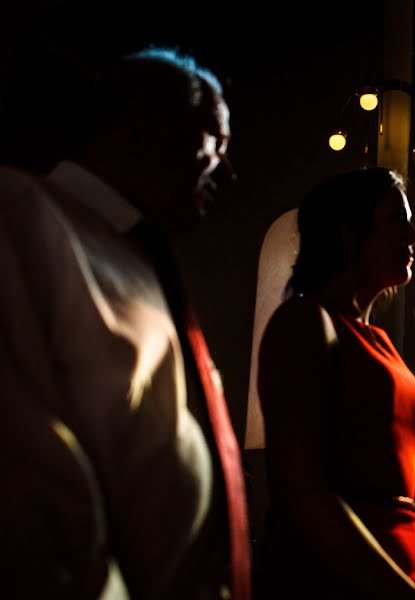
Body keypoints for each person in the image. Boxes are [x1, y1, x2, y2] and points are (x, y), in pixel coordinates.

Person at [0, 48, 249, 598]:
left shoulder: (144, 260)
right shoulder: (21, 212)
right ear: (145, 125)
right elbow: (24, 475)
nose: (227, 172)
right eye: (215, 141)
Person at [256, 168, 415, 599]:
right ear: (348, 232)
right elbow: (301, 486)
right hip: (337, 581)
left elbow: (414, 489)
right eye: (396, 219)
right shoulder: (304, 321)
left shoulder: (382, 343)